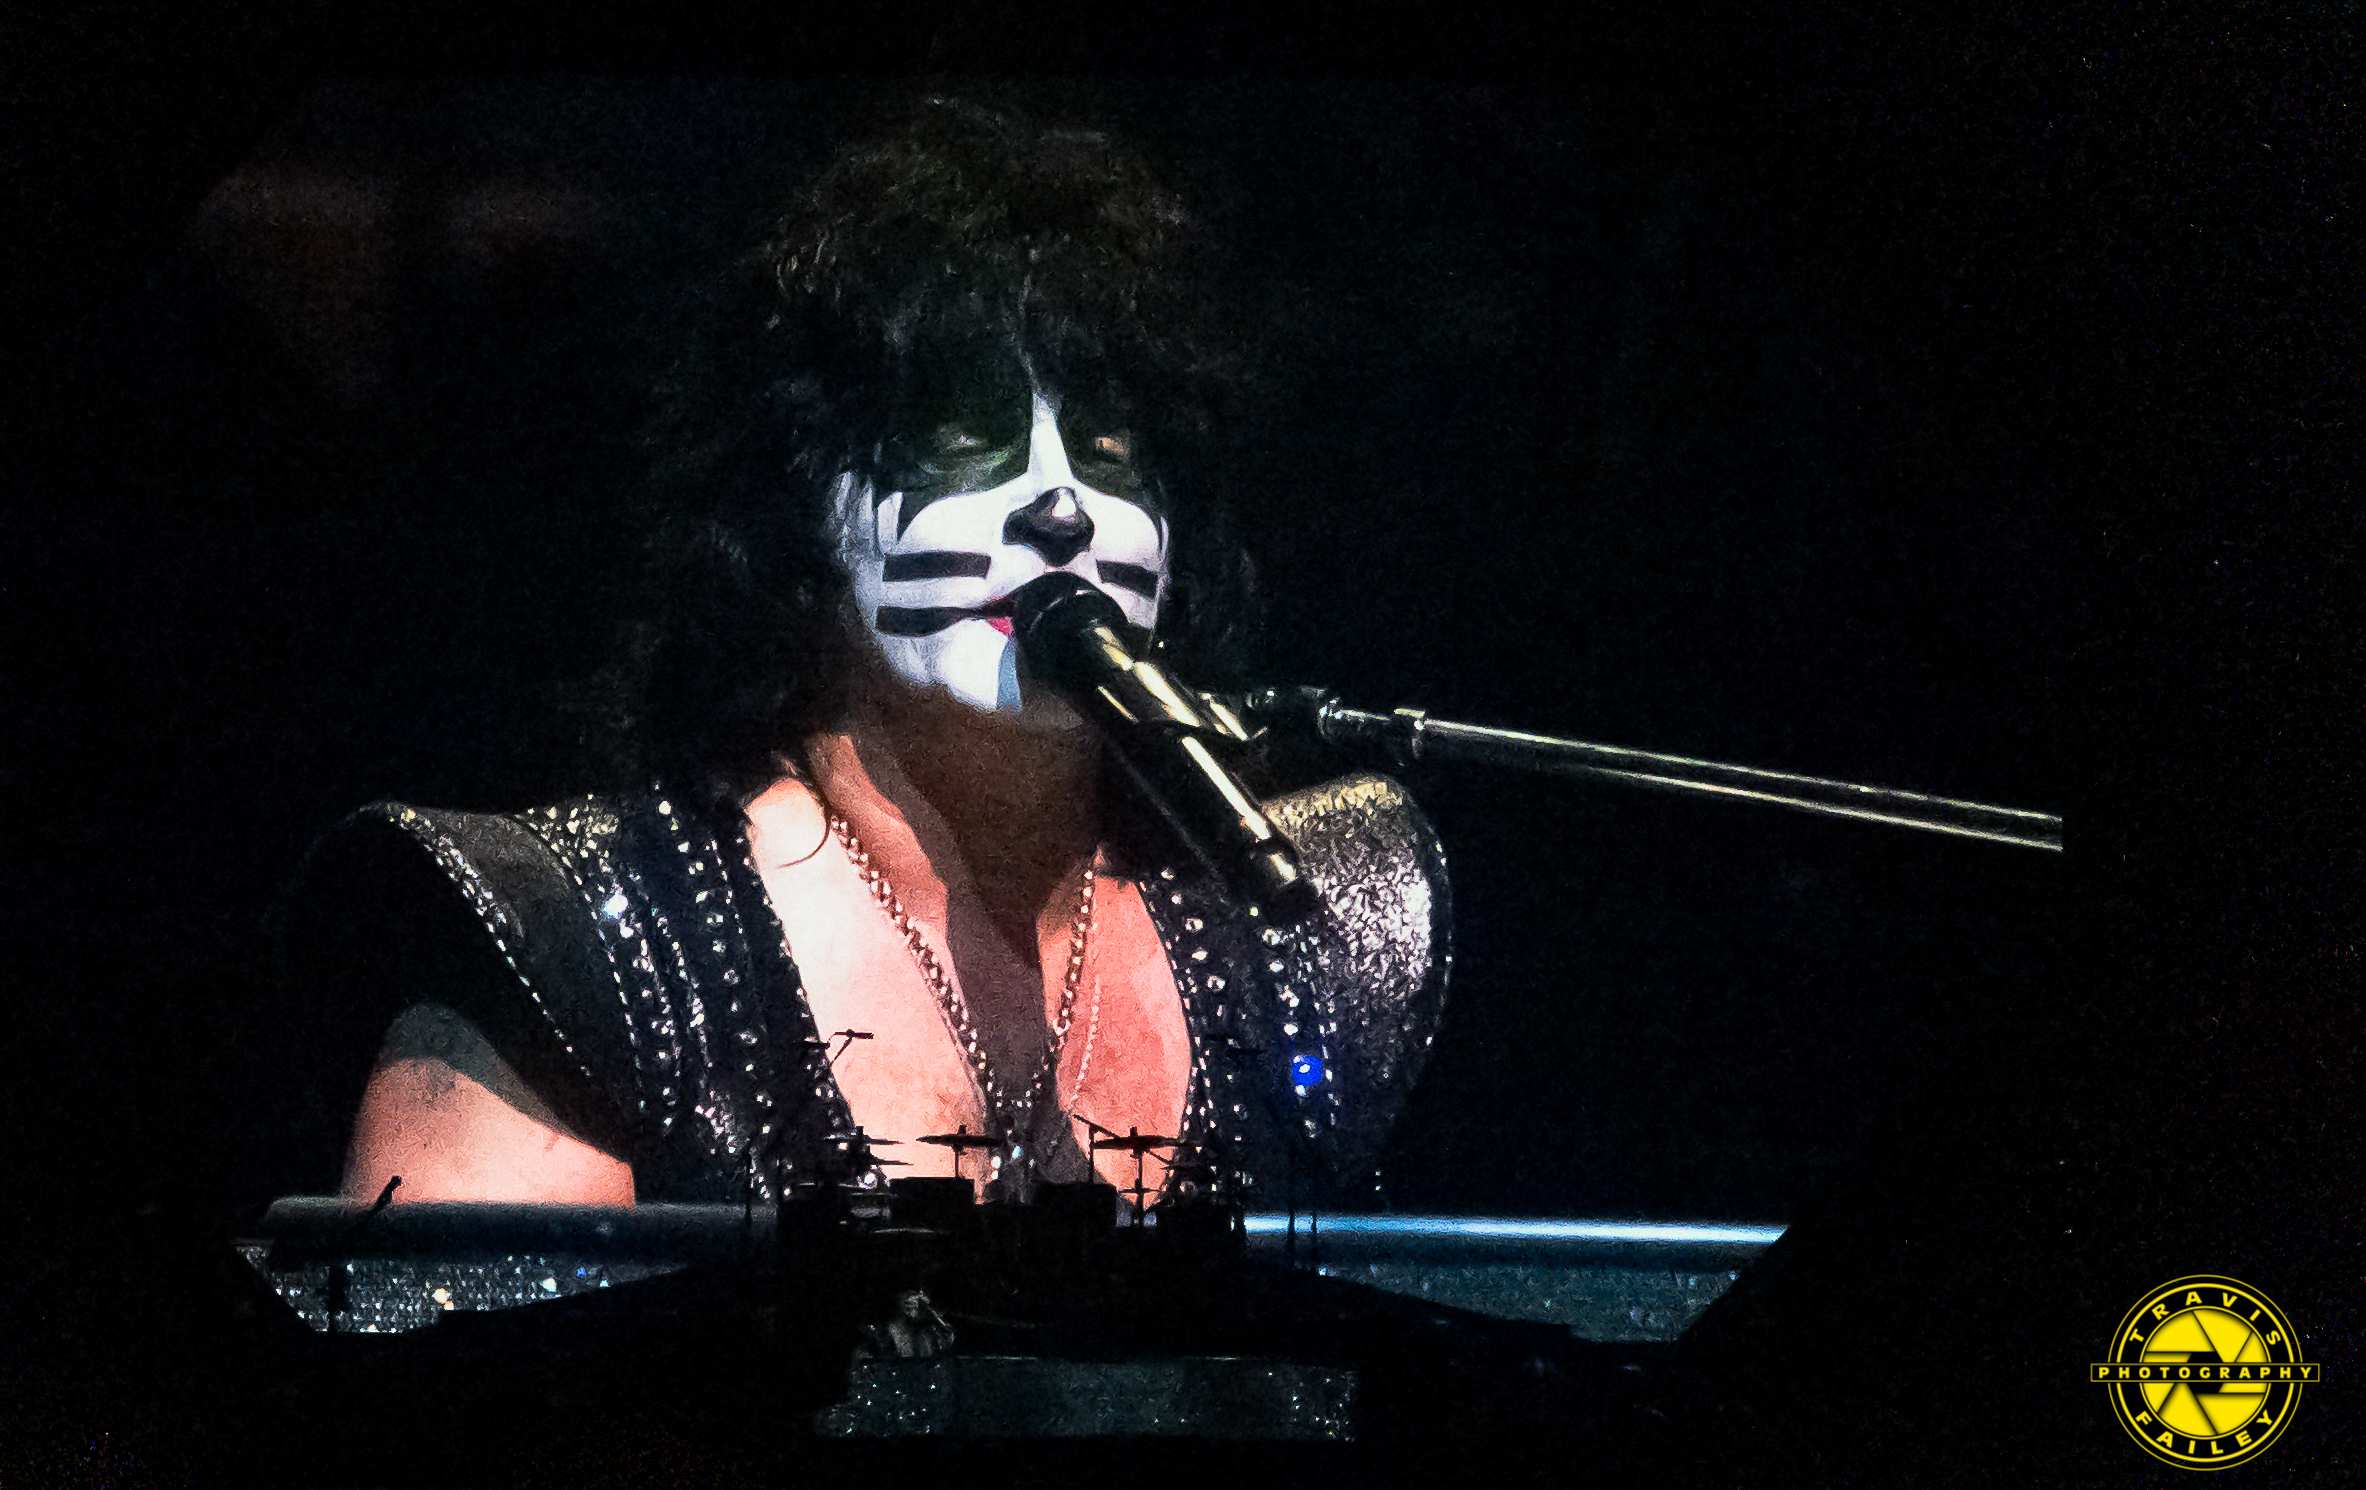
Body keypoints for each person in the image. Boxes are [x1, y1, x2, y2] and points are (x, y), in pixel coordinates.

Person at [304, 98, 1448, 1215]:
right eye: (962, 440)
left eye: (1110, 453)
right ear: (801, 504)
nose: (1060, 506)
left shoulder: (1308, 942)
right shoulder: (588, 940)